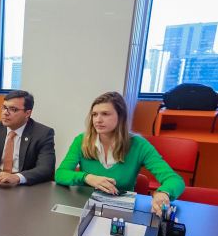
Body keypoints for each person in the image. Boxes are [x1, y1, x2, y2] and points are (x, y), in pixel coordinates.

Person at [55, 91, 185, 215]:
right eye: (94, 114)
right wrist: (87, 177)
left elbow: (174, 180)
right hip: (84, 206)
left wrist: (164, 193)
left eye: (105, 114)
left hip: (120, 210)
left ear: (121, 116)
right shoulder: (81, 141)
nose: (98, 120)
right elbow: (60, 174)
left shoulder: (139, 145)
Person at [0, 90, 55, 187]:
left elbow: (46, 168)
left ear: (27, 113)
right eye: (4, 107)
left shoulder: (43, 134)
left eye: (13, 109)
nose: (5, 113)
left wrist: (17, 177)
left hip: (25, 187)